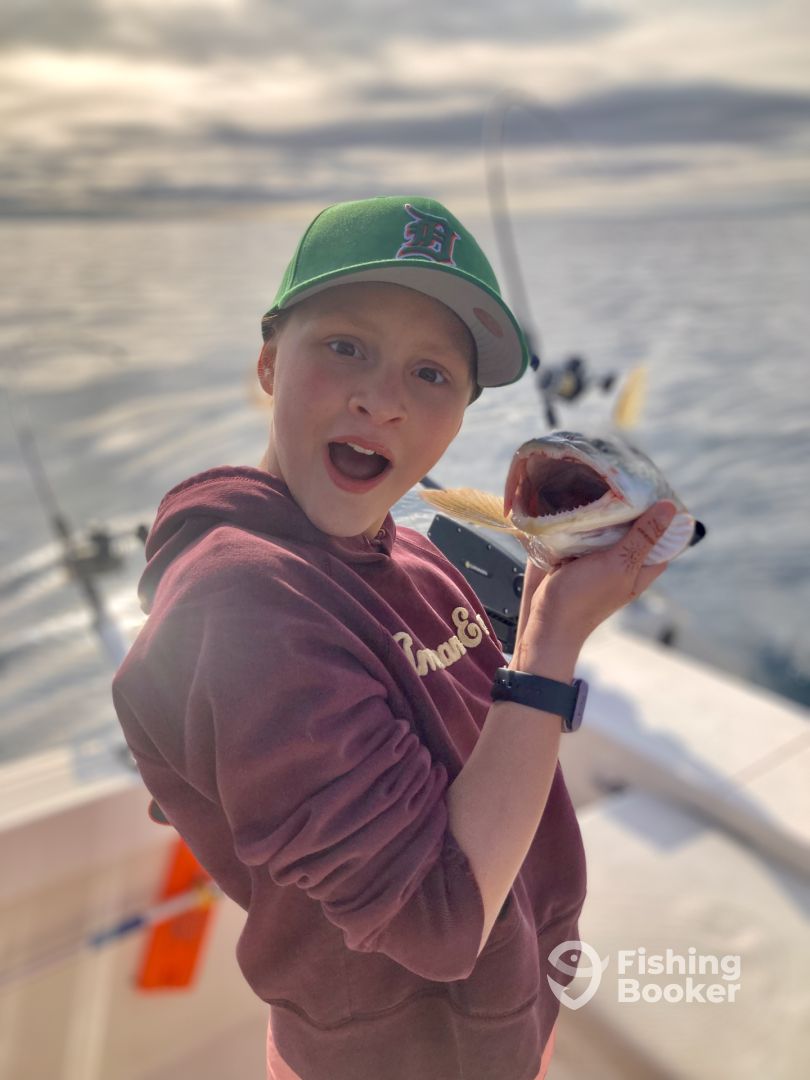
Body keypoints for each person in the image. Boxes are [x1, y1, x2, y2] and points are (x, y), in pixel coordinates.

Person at [111, 195, 676, 1080]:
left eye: (432, 374)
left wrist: (540, 615)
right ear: (269, 361)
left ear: (461, 415)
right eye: (346, 347)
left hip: (506, 1015)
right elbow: (441, 920)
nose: (381, 400)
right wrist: (551, 647)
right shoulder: (236, 603)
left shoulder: (411, 552)